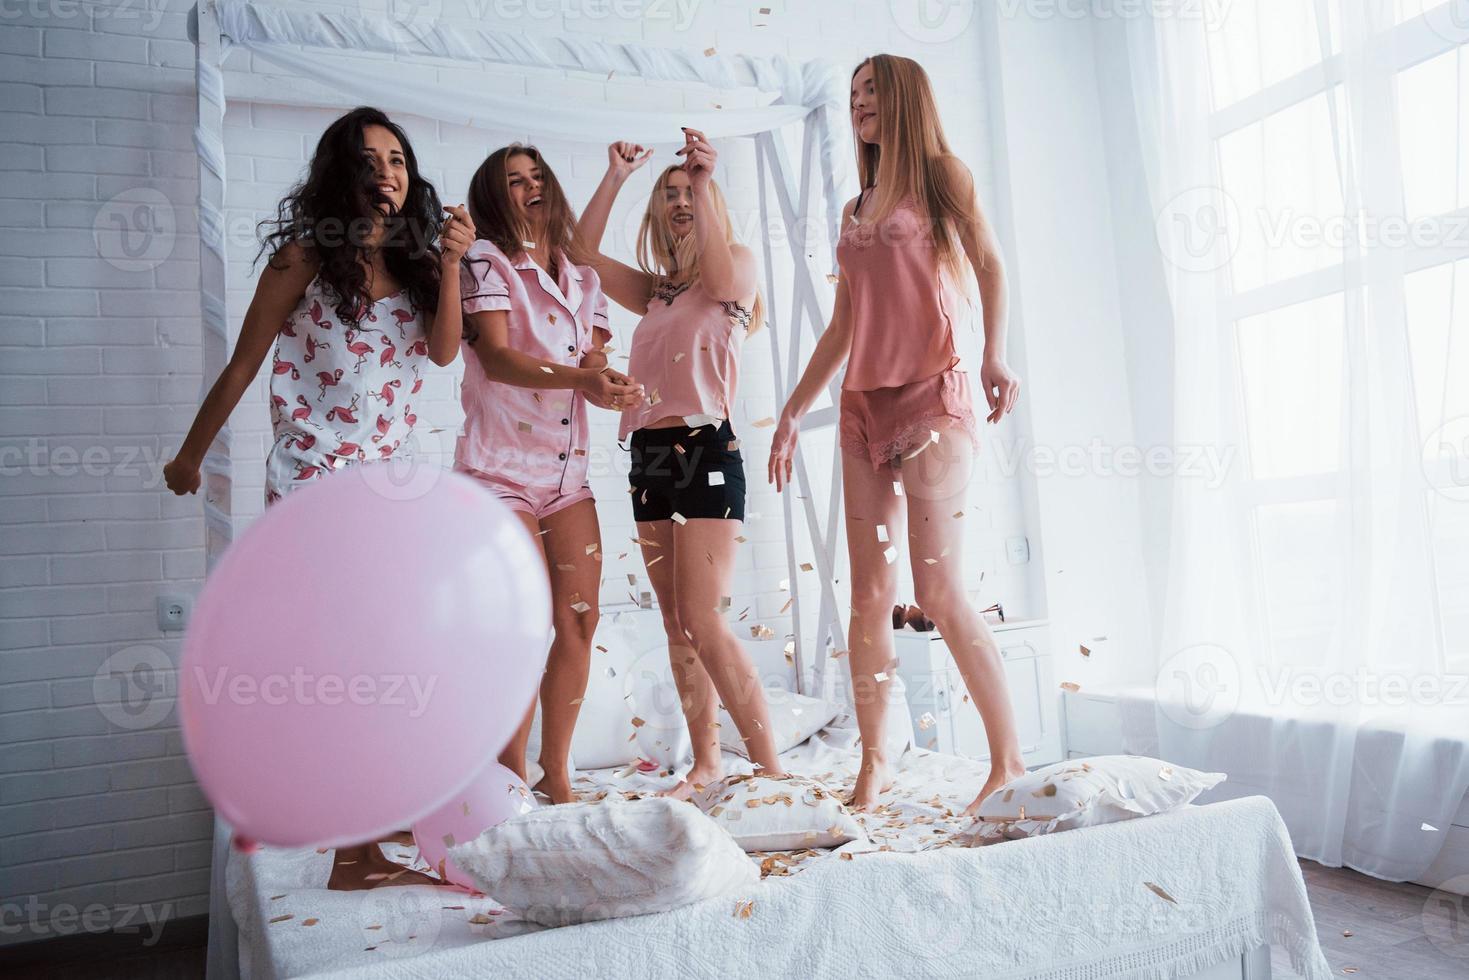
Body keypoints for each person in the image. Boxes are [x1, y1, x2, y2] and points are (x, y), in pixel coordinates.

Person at [163, 106, 473, 887]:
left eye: (398, 160)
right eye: (369, 159)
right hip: (316, 481)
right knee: (355, 658)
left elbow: (441, 355)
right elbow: (242, 365)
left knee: (390, 654)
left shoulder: (416, 263)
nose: (387, 173)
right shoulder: (304, 256)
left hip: (393, 487)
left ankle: (367, 817)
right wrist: (190, 456)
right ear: (341, 172)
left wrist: (453, 265)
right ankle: (353, 851)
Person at [768, 56, 1025, 812]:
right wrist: (790, 409)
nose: (856, 107)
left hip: (932, 397)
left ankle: (1006, 761)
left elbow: (989, 263)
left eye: (869, 93)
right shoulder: (855, 208)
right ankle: (874, 765)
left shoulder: (942, 176)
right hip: (860, 406)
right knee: (868, 596)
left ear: (905, 96)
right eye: (850, 97)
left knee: (936, 588)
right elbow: (844, 324)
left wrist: (993, 354)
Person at [576, 129, 788, 798]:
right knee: (674, 622)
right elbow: (579, 256)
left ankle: (774, 772)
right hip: (649, 453)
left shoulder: (735, 273)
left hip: (705, 449)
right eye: (666, 194)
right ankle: (707, 763)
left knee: (705, 617)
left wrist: (699, 178)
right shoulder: (658, 295)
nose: (677, 201)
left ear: (707, 198)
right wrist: (613, 176)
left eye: (686, 192)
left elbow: (721, 273)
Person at [455, 144, 643, 804]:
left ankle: (553, 772)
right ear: (494, 197)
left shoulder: (584, 280)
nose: (530, 187)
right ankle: (506, 777)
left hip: (566, 477)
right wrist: (584, 375)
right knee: (521, 626)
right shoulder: (484, 261)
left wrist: (608, 388)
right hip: (497, 471)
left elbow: (589, 369)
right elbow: (500, 361)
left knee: (579, 622)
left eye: (537, 177)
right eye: (514, 181)